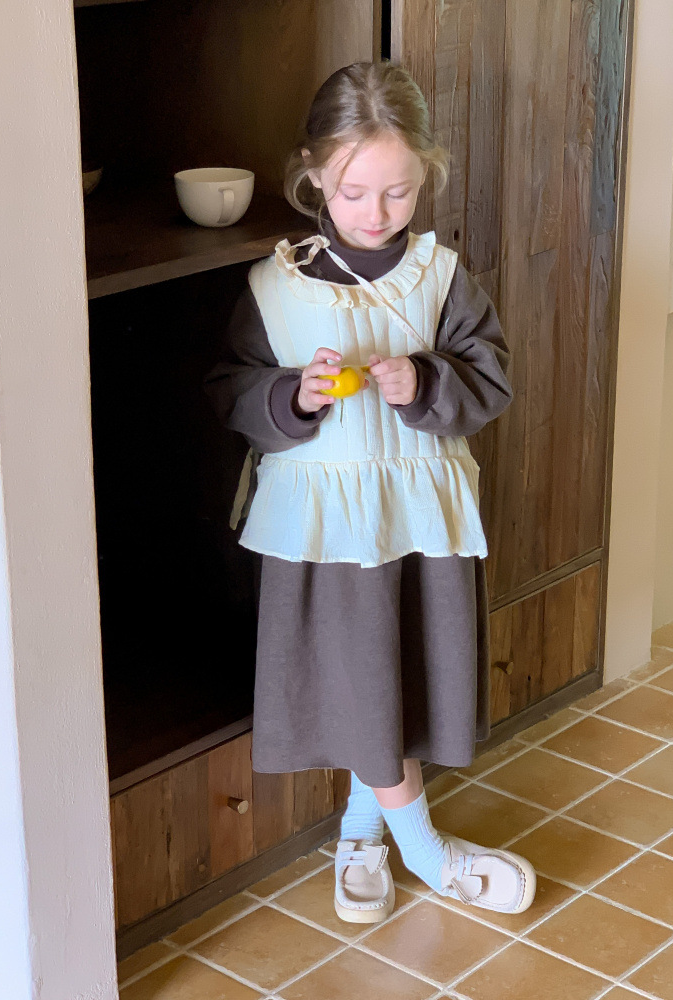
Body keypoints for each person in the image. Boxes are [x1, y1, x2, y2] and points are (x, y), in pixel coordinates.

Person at [205, 60, 536, 923]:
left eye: (399, 192)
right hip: (322, 525)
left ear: (427, 173)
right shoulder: (276, 286)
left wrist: (425, 380)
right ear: (314, 174)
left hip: (419, 513)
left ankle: (359, 831)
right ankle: (426, 853)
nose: (377, 213)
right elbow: (230, 388)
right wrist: (294, 396)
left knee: (393, 674)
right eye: (354, 192)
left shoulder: (440, 277)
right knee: (359, 673)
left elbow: (490, 377)